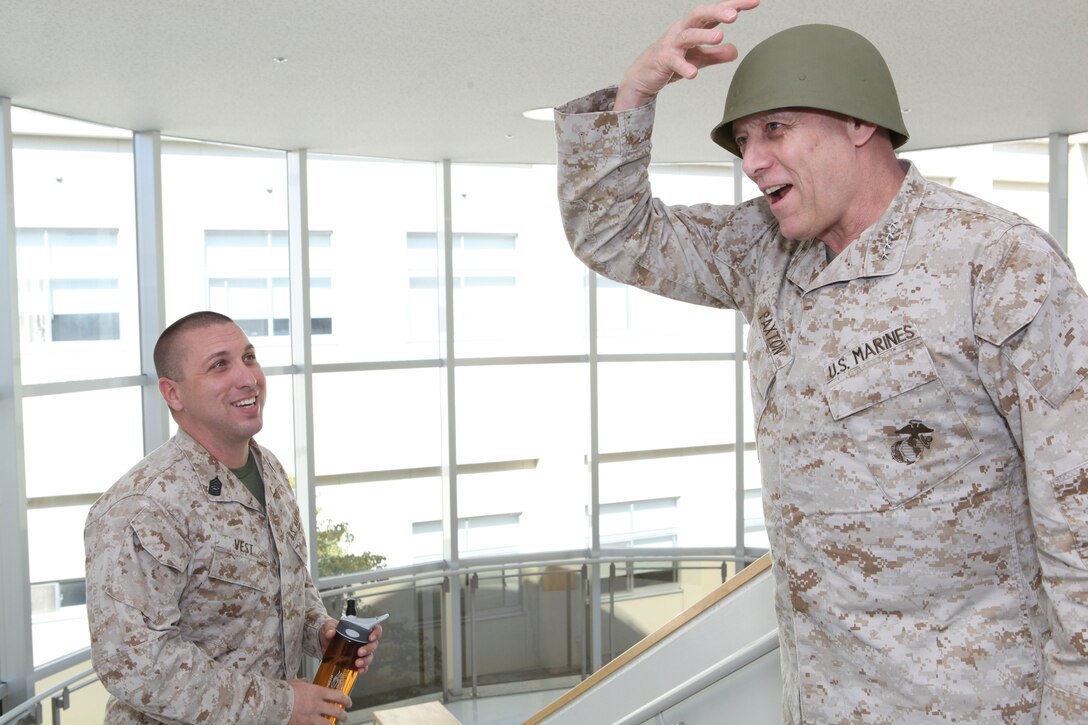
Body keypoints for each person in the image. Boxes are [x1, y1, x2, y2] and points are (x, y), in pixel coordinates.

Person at [554, 1, 1088, 722]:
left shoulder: (995, 263)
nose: (753, 161)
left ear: (861, 122)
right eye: (743, 139)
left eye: (776, 129)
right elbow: (614, 234)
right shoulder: (760, 252)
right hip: (823, 699)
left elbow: (1077, 519)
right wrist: (636, 92)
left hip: (976, 704)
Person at [84, 311, 381, 724]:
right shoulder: (144, 506)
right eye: (219, 365)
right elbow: (135, 665)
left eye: (249, 357)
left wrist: (320, 630)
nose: (248, 378)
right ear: (173, 394)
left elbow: (288, 580)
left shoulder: (269, 470)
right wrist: (281, 705)